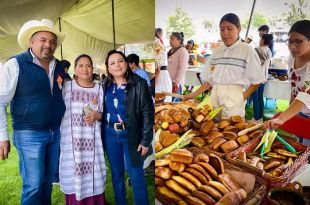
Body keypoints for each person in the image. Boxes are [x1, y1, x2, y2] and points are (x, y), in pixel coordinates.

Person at [0, 19, 66, 205]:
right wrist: (2, 136)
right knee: (33, 185)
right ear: (32, 41)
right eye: (43, 40)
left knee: (47, 183)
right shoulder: (15, 64)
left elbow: (64, 95)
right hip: (29, 134)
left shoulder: (58, 65)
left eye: (52, 41)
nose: (48, 45)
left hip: (55, 132)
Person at [184, 13, 265, 119]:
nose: (225, 33)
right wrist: (194, 94)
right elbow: (210, 80)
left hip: (234, 96)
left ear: (239, 29)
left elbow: (258, 80)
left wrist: (242, 97)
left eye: (229, 28)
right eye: (222, 29)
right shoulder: (217, 51)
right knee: (211, 128)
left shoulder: (247, 50)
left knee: (230, 130)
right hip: (215, 95)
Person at [102, 50, 154, 205]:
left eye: (120, 61)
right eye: (112, 63)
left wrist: (145, 140)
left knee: (136, 174)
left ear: (126, 63)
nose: (117, 65)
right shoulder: (106, 84)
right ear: (108, 68)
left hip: (131, 134)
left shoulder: (139, 83)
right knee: (116, 174)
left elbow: (147, 111)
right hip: (110, 133)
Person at [59, 54, 106, 205]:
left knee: (94, 175)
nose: (85, 69)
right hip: (71, 143)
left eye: (88, 66)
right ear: (75, 68)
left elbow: (104, 114)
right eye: (81, 65)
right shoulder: (66, 87)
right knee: (73, 175)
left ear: (92, 69)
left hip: (93, 144)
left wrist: (96, 115)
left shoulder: (99, 89)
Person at [264, 20, 310, 131]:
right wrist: (290, 108)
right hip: (300, 112)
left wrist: (281, 118)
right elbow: (294, 86)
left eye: (298, 41)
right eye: (290, 41)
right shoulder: (292, 58)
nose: (292, 46)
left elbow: (305, 95)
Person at [250, 34, 273, 123]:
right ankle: (260, 117)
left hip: (256, 78)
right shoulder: (269, 51)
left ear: (263, 40)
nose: (259, 41)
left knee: (255, 98)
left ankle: (256, 118)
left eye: (260, 39)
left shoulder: (256, 50)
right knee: (260, 98)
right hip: (264, 78)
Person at [167, 32, 189, 100]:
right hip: (169, 81)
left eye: (172, 38)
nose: (170, 40)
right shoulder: (170, 50)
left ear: (179, 40)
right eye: (170, 38)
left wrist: (176, 82)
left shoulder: (183, 51)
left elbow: (182, 69)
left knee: (173, 104)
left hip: (176, 84)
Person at [154, 35, 172, 102]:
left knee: (159, 102)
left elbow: (157, 70)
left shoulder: (155, 44)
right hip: (165, 74)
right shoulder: (159, 42)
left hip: (160, 76)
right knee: (166, 101)